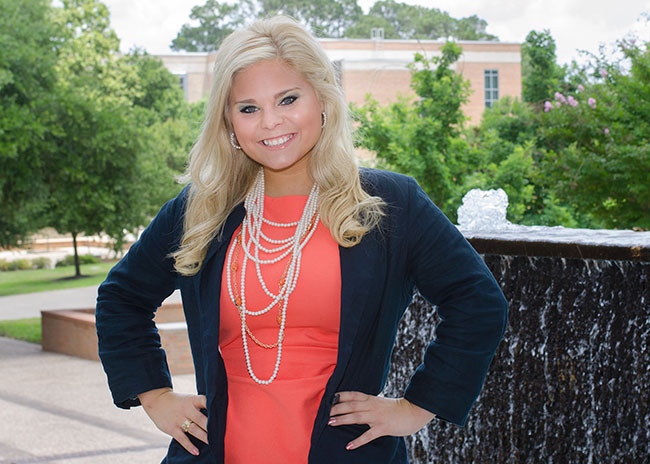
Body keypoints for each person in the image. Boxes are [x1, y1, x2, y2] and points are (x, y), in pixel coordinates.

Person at [96, 15, 508, 464]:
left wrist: (416, 407)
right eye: (248, 108)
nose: (271, 122)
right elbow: (121, 298)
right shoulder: (201, 209)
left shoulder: (387, 204)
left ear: (323, 99)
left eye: (288, 99)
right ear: (229, 122)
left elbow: (478, 301)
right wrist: (155, 397)